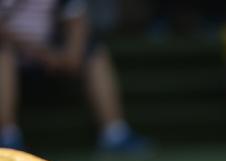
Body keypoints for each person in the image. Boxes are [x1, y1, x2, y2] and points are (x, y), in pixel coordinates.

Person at [0, 0, 148, 152]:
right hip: (16, 65)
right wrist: (43, 54)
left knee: (94, 50)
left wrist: (68, 56)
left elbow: (77, 26)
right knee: (3, 53)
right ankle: (7, 137)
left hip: (51, 68)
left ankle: (115, 133)